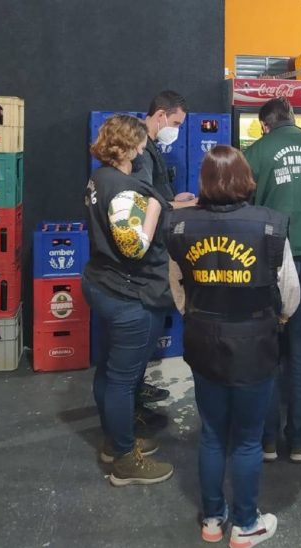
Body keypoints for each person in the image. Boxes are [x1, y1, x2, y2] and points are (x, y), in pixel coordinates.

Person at [166, 145, 299, 548]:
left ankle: (212, 519)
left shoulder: (180, 226)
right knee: (247, 438)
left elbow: (177, 287)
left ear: (204, 180)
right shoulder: (270, 226)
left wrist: (197, 315)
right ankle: (245, 524)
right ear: (247, 178)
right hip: (255, 343)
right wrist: (279, 319)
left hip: (203, 340)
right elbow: (290, 291)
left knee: (211, 433)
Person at [243, 97, 301, 463]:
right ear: (294, 118)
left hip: (270, 255)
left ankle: (267, 440)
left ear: (264, 124)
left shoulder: (254, 153)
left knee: (266, 349)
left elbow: (246, 208)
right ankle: (299, 439)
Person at [82, 114, 174, 486]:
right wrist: (153, 209)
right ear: (130, 146)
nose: (143, 149)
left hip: (104, 284)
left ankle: (113, 440)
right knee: (123, 379)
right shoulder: (123, 189)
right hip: (129, 294)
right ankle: (123, 459)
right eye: (140, 144)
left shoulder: (99, 177)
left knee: (109, 370)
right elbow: (134, 247)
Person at [130, 90, 196, 420]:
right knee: (146, 330)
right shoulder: (142, 151)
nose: (177, 130)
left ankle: (136, 387)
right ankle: (132, 404)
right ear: (160, 115)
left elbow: (157, 193)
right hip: (149, 253)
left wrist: (174, 197)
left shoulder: (150, 147)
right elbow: (145, 203)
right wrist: (186, 205)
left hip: (156, 246)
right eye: (176, 123)